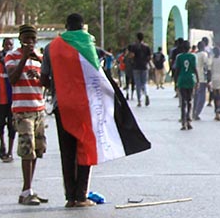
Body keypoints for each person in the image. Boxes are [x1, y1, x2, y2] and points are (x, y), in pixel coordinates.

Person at [43, 14, 150, 207]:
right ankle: (81, 196)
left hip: (62, 106)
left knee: (67, 151)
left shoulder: (51, 48)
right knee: (86, 147)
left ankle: (70, 197)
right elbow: (97, 77)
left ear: (66, 26)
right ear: (82, 27)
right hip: (86, 107)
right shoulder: (87, 45)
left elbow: (44, 79)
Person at [6, 25, 48, 205]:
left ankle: (28, 189)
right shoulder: (12, 56)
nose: (30, 42)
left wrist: (38, 77)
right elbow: (12, 79)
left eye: (33, 39)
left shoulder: (40, 58)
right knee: (26, 149)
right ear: (20, 40)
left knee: (37, 150)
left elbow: (48, 82)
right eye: (26, 39)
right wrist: (24, 58)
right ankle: (26, 191)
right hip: (22, 110)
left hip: (39, 109)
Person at [173, 43, 198, 130]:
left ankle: (183, 122)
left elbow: (177, 70)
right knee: (190, 100)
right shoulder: (193, 57)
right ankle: (189, 120)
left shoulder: (179, 57)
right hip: (190, 80)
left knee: (183, 101)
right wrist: (198, 80)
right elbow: (194, 69)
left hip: (182, 80)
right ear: (189, 48)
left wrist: (175, 82)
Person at [126, 32, 152, 107]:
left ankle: (139, 101)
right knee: (144, 82)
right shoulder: (147, 46)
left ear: (137, 38)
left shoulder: (134, 46)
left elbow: (131, 55)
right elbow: (150, 57)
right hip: (145, 67)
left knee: (138, 84)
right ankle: (146, 94)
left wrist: (131, 58)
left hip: (136, 67)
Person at [193, 38, 211, 121]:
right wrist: (209, 78)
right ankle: (197, 113)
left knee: (196, 96)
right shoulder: (204, 54)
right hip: (202, 78)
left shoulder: (194, 55)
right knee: (202, 98)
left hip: (195, 78)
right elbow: (207, 65)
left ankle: (193, 112)